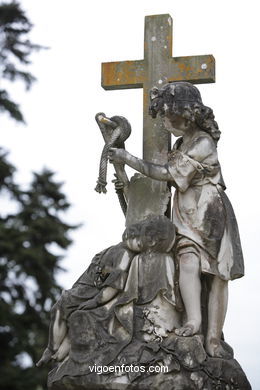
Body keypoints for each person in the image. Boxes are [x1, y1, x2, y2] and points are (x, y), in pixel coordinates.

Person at [108, 81, 244, 358]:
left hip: (208, 211)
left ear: (186, 114)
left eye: (169, 115)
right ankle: (193, 321)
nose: (166, 122)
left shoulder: (203, 142)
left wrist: (128, 157)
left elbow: (168, 174)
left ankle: (214, 338)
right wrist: (125, 178)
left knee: (218, 275)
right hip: (184, 210)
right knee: (187, 261)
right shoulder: (182, 143)